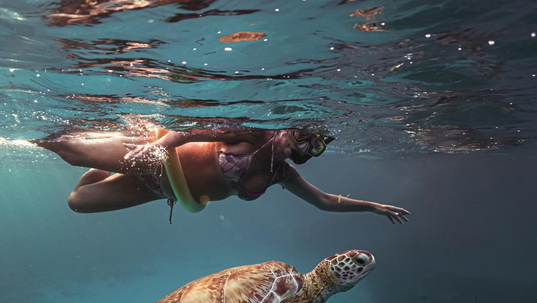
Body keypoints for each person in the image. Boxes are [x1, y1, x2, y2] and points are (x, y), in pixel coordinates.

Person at [33, 126, 410, 224]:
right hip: (156, 160)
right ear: (287, 128)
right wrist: (161, 145)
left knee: (78, 203)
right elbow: (196, 132)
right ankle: (13, 137)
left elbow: (325, 202)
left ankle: (106, 162)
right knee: (70, 152)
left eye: (314, 146)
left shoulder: (283, 174)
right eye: (301, 138)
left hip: (160, 191)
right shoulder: (253, 134)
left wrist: (372, 206)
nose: (303, 148)